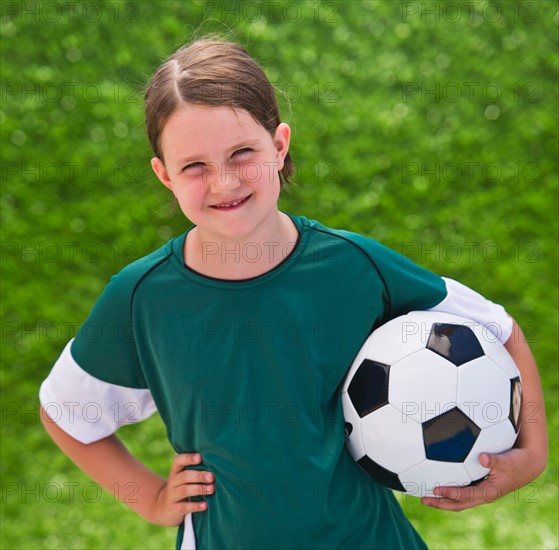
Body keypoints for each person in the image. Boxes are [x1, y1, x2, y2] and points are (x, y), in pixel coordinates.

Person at [39, 37, 548, 550]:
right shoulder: (141, 297)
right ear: (164, 175)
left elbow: (501, 330)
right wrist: (149, 498)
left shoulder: (354, 265)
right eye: (194, 166)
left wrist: (532, 454)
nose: (224, 182)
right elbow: (64, 411)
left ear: (279, 147)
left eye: (242, 153)